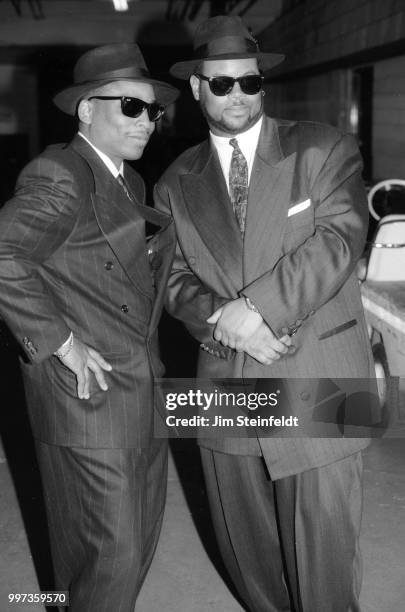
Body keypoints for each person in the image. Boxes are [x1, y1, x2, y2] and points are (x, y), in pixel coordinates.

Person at [155, 15, 376, 612]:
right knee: (247, 552)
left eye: (248, 83)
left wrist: (259, 311)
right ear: (198, 88)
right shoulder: (175, 181)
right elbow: (169, 277)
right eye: (221, 84)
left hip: (321, 369)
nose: (237, 96)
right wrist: (222, 320)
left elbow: (338, 239)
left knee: (325, 560)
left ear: (262, 85)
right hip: (224, 375)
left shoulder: (323, 146)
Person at [0, 43, 178, 611]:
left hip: (139, 390)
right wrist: (62, 342)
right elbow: (4, 256)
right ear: (85, 110)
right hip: (87, 399)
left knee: (138, 542)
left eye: (153, 111)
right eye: (131, 106)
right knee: (110, 556)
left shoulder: (130, 183)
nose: (147, 121)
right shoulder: (60, 172)